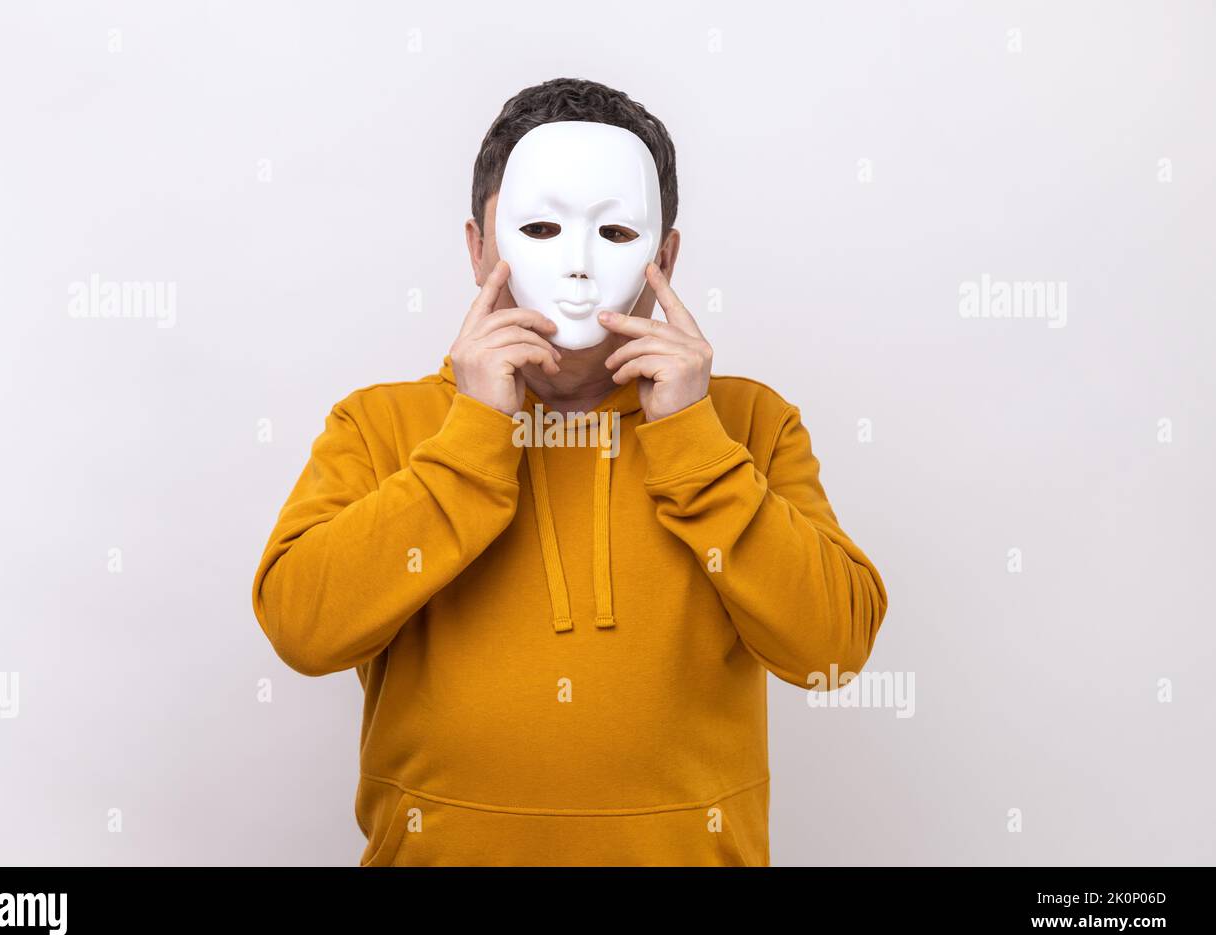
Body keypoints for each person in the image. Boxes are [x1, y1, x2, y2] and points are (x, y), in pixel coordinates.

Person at [251, 77, 888, 866]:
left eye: (617, 232)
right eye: (543, 226)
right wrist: (473, 438)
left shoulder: (749, 423)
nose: (580, 265)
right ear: (478, 248)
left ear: (667, 255)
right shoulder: (382, 425)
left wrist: (694, 443)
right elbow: (302, 630)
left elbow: (832, 653)